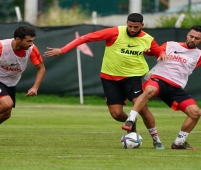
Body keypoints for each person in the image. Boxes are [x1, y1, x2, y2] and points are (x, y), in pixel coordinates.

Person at [44, 13, 168, 150]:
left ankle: (156, 140)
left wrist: (161, 54)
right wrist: (62, 50)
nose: (132, 29)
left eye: (136, 27)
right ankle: (132, 123)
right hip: (110, 78)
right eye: (130, 26)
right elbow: (85, 38)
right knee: (116, 114)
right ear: (126, 23)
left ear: (142, 26)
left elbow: (159, 52)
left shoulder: (147, 39)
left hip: (134, 77)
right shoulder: (114, 32)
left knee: (142, 109)